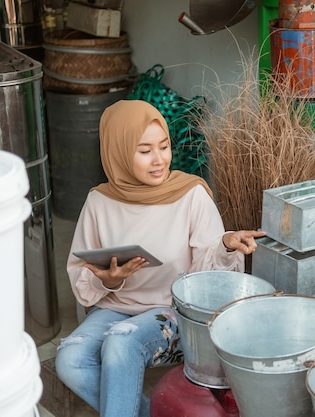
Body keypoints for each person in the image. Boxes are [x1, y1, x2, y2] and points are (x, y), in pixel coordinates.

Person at [55, 99, 266, 417]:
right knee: (69, 359)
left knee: (120, 343)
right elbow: (81, 272)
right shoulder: (99, 202)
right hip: (115, 308)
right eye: (144, 151)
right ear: (119, 153)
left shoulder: (190, 194)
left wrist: (225, 244)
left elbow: (210, 281)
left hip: (173, 314)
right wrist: (110, 280)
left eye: (164, 147)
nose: (159, 160)